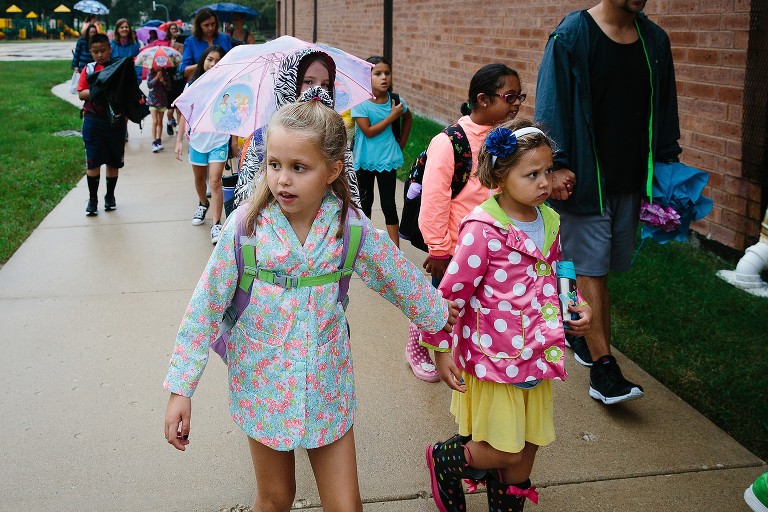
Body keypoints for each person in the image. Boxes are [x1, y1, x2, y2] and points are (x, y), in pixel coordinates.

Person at [163, 100, 459, 512]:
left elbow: (402, 281)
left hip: (327, 384)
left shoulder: (348, 228)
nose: (282, 179)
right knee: (275, 498)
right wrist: (181, 389)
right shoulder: (246, 227)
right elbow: (205, 307)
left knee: (346, 506)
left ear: (332, 170)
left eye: (299, 167)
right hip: (263, 383)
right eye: (274, 164)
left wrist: (440, 329)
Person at [422, 119, 592, 512]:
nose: (545, 182)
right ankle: (445, 460)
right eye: (532, 174)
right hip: (497, 358)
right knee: (504, 451)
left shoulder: (549, 220)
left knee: (526, 451)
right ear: (500, 176)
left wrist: (576, 303)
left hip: (538, 352)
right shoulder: (483, 229)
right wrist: (440, 348)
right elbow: (450, 294)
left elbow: (559, 271)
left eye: (548, 170)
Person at [534, 0, 681, 404]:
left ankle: (572, 325)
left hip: (631, 180)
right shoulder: (571, 36)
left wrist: (668, 164)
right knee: (591, 270)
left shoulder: (655, 40)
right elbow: (550, 106)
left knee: (603, 265)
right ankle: (604, 370)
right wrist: (556, 163)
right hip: (585, 180)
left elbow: (664, 106)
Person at [406, 63, 523, 383]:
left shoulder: (506, 139)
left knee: (477, 304)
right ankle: (417, 347)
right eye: (510, 96)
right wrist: (439, 249)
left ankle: (465, 350)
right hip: (455, 248)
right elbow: (434, 200)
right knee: (438, 303)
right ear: (483, 99)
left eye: (519, 97)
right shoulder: (450, 142)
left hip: (491, 244)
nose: (516, 103)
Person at [233, 48, 361, 210]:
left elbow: (349, 194)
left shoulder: (334, 136)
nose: (318, 90)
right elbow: (245, 201)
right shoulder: (262, 138)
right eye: (308, 82)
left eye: (325, 84)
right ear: (288, 84)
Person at [174, 46, 236, 244]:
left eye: (218, 60)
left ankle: (216, 223)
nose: (213, 64)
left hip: (219, 140)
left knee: (215, 181)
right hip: (198, 141)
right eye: (210, 59)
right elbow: (184, 114)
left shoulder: (228, 85)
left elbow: (235, 114)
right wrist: (178, 141)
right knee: (200, 179)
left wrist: (234, 141)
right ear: (203, 61)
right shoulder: (192, 85)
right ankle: (203, 203)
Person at [352, 55, 412, 247]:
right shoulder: (361, 103)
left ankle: (395, 250)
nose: (384, 77)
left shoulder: (395, 101)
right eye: (377, 74)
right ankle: (366, 245)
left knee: (388, 204)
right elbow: (368, 131)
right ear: (367, 77)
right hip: (365, 159)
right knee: (365, 202)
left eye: (387, 73)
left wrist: (402, 142)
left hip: (387, 159)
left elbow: (408, 117)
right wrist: (392, 116)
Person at [77, 33, 125, 216]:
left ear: (110, 49)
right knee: (93, 161)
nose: (99, 55)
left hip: (115, 121)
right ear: (90, 51)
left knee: (113, 161)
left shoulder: (118, 67)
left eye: (103, 50)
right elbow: (81, 93)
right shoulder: (89, 69)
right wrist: (99, 90)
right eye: (95, 51)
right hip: (93, 120)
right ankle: (93, 199)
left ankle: (110, 196)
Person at [179, 8, 233, 82]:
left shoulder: (225, 39)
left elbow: (232, 63)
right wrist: (204, 64)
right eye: (206, 25)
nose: (210, 28)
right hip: (200, 83)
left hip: (223, 82)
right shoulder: (190, 42)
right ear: (199, 26)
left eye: (213, 24)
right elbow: (184, 71)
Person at [164, 23, 185, 137]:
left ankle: (178, 129)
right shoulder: (169, 60)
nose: (178, 50)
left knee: (179, 110)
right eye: (176, 48)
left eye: (179, 48)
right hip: (170, 88)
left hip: (180, 86)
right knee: (170, 110)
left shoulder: (184, 59)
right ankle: (169, 122)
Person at [110, 19, 141, 83]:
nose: (124, 29)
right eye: (121, 27)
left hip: (130, 79)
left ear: (129, 29)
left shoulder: (134, 45)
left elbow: (138, 63)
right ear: (117, 30)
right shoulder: (111, 44)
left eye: (126, 27)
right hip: (115, 79)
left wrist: (138, 79)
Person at [147, 66, 169, 153]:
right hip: (152, 101)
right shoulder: (150, 73)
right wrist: (156, 77)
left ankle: (159, 140)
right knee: (155, 121)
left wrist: (163, 81)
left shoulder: (165, 73)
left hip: (162, 100)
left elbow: (168, 87)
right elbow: (149, 85)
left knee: (160, 121)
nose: (157, 67)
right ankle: (154, 141)